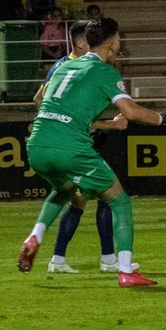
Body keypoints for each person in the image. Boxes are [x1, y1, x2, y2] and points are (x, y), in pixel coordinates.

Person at [17, 17, 166, 285]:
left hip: (37, 145)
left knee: (66, 190)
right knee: (119, 200)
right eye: (119, 39)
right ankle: (125, 270)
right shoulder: (105, 72)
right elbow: (132, 112)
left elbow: (43, 103)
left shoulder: (62, 68)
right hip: (70, 147)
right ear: (112, 41)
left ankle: (35, 236)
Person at [30, 20, 121, 275]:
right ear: (80, 42)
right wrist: (73, 124)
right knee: (104, 196)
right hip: (71, 146)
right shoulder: (70, 66)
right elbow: (40, 101)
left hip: (69, 142)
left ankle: (59, 259)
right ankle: (107, 259)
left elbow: (39, 99)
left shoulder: (64, 66)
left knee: (77, 200)